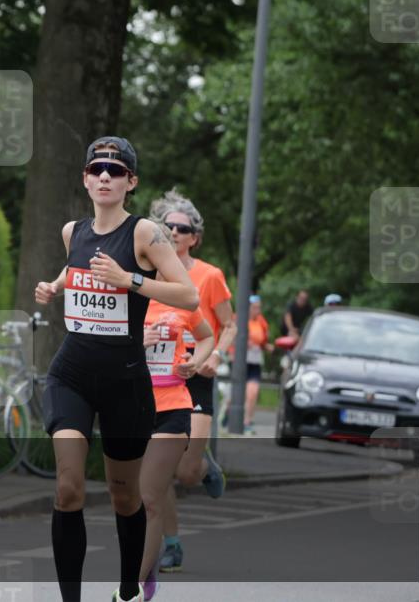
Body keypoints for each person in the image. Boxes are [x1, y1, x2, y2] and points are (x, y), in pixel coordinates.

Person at [34, 136, 199, 602]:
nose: (105, 176)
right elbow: (79, 268)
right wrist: (55, 285)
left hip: (126, 379)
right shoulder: (72, 231)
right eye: (97, 169)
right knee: (68, 487)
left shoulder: (146, 233)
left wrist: (131, 281)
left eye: (116, 170)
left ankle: (129, 588)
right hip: (72, 373)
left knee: (125, 497)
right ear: (85, 179)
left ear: (131, 182)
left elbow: (189, 295)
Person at [146, 190, 237, 574]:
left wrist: (214, 356)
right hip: (154, 379)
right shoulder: (146, 273)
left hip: (195, 375)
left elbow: (229, 324)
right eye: (167, 226)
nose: (174, 232)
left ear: (194, 237)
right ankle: (172, 543)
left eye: (182, 228)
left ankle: (203, 466)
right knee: (161, 469)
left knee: (185, 472)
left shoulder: (209, 276)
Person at [139, 273, 214, 601]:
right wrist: (137, 340)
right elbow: (98, 343)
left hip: (173, 406)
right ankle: (148, 559)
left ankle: (139, 580)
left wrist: (195, 362)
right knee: (127, 498)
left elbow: (207, 336)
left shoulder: (183, 298)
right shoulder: (127, 297)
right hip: (130, 407)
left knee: (150, 495)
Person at [243, 294, 274, 434]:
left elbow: (262, 340)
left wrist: (267, 346)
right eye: (255, 308)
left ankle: (247, 421)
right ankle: (228, 414)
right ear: (248, 308)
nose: (257, 310)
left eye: (259, 308)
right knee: (233, 395)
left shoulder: (262, 322)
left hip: (255, 360)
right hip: (240, 361)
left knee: (252, 392)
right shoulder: (240, 319)